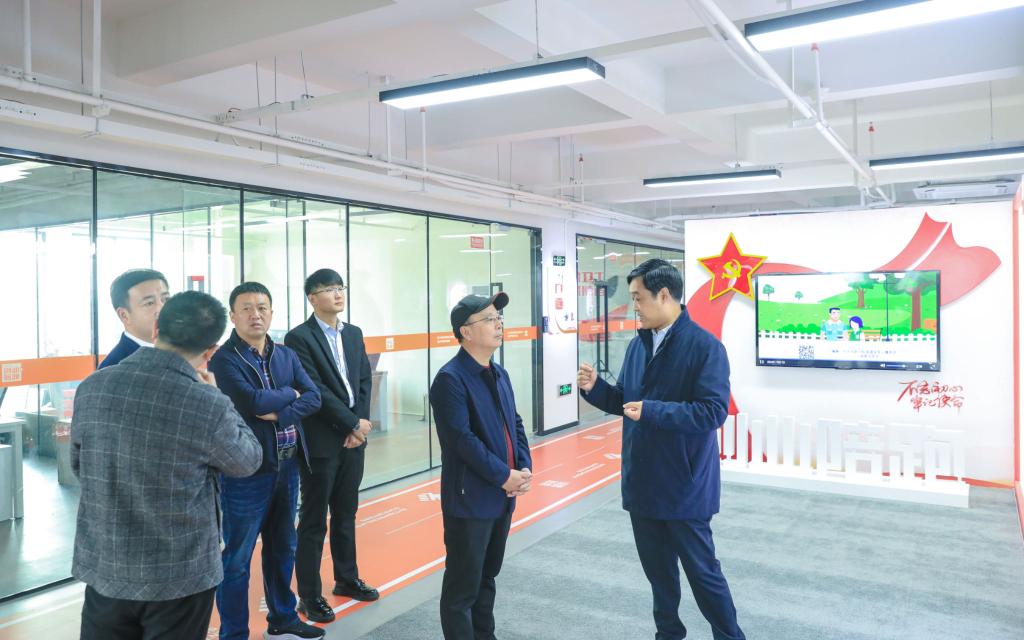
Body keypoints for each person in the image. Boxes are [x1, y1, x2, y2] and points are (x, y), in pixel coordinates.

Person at [71, 291, 262, 640]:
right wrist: (219, 395)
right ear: (211, 351)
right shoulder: (207, 402)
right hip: (180, 575)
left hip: (107, 566)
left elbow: (79, 465)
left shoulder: (93, 387)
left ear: (157, 327)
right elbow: (248, 460)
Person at [578, 259, 745, 640]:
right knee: (659, 577)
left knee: (703, 574)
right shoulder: (638, 345)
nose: (634, 306)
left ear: (664, 295)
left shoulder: (705, 347)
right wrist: (596, 389)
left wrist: (653, 411)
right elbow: (626, 400)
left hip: (684, 485)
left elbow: (712, 412)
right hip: (643, 482)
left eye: (638, 298)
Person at [208, 282, 324, 640]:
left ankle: (283, 617)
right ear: (233, 316)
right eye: (246, 308)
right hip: (245, 472)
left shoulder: (286, 354)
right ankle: (234, 633)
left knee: (283, 547)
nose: (255, 314)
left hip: (287, 466)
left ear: (271, 312)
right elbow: (251, 402)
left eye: (262, 307)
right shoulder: (224, 359)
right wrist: (291, 393)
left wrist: (283, 412)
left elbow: (315, 396)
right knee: (237, 559)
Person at [429, 292, 533, 640]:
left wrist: (524, 467)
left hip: (501, 496)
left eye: (499, 317)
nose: (499, 324)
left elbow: (514, 423)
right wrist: (504, 475)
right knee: (462, 588)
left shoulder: (498, 373)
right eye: (489, 319)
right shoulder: (450, 379)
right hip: (470, 500)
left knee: (487, 577)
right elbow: (462, 441)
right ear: (466, 331)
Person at [284, 268, 378, 623]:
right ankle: (308, 596)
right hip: (322, 440)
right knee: (313, 521)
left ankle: (347, 578)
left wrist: (360, 424)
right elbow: (315, 390)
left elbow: (364, 380)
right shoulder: (299, 337)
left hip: (354, 440)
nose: (338, 294)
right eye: (329, 289)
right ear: (312, 298)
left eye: (340, 287)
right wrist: (351, 423)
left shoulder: (353, 333)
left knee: (346, 513)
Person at [99, 269, 170, 368]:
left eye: (166, 299)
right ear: (124, 315)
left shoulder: (182, 350)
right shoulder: (113, 368)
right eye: (149, 303)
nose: (162, 308)